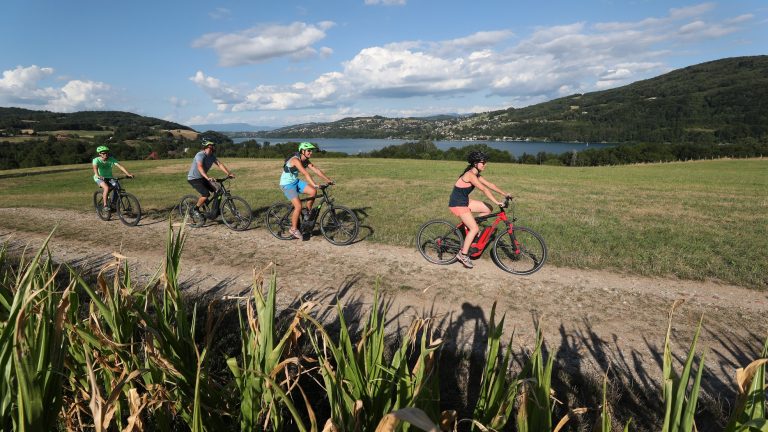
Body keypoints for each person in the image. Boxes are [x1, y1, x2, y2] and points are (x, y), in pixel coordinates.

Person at [448, 150, 511, 269]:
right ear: (475, 163)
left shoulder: (476, 174)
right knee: (475, 228)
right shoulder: (469, 175)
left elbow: (490, 185)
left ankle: (472, 229)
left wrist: (504, 194)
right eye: (483, 162)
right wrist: (497, 202)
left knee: (488, 208)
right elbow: (484, 189)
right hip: (457, 204)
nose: (485, 164)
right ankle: (463, 254)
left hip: (464, 201)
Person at [279, 142, 334, 239]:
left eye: (311, 150)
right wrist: (314, 184)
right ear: (302, 151)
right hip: (287, 185)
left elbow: (316, 170)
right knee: (298, 206)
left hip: (295, 181)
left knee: (313, 191)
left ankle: (307, 213)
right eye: (309, 150)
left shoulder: (306, 161)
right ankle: (294, 229)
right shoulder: (296, 160)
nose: (311, 152)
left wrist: (328, 180)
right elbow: (305, 173)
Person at [187, 138, 234, 218]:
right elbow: (199, 167)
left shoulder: (211, 156)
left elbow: (219, 164)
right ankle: (195, 209)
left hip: (203, 177)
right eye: (214, 145)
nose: (216, 147)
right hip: (194, 178)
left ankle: (214, 211)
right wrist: (208, 178)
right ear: (209, 146)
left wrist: (228, 173)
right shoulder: (200, 155)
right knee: (206, 194)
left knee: (218, 190)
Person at [93, 146, 134, 212]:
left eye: (106, 153)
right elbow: (95, 168)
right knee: (106, 188)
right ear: (99, 154)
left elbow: (120, 166)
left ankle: (114, 204)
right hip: (99, 178)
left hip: (109, 177)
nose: (105, 154)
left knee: (118, 187)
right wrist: (98, 176)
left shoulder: (111, 159)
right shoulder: (96, 160)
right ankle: (105, 205)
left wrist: (128, 174)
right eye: (103, 153)